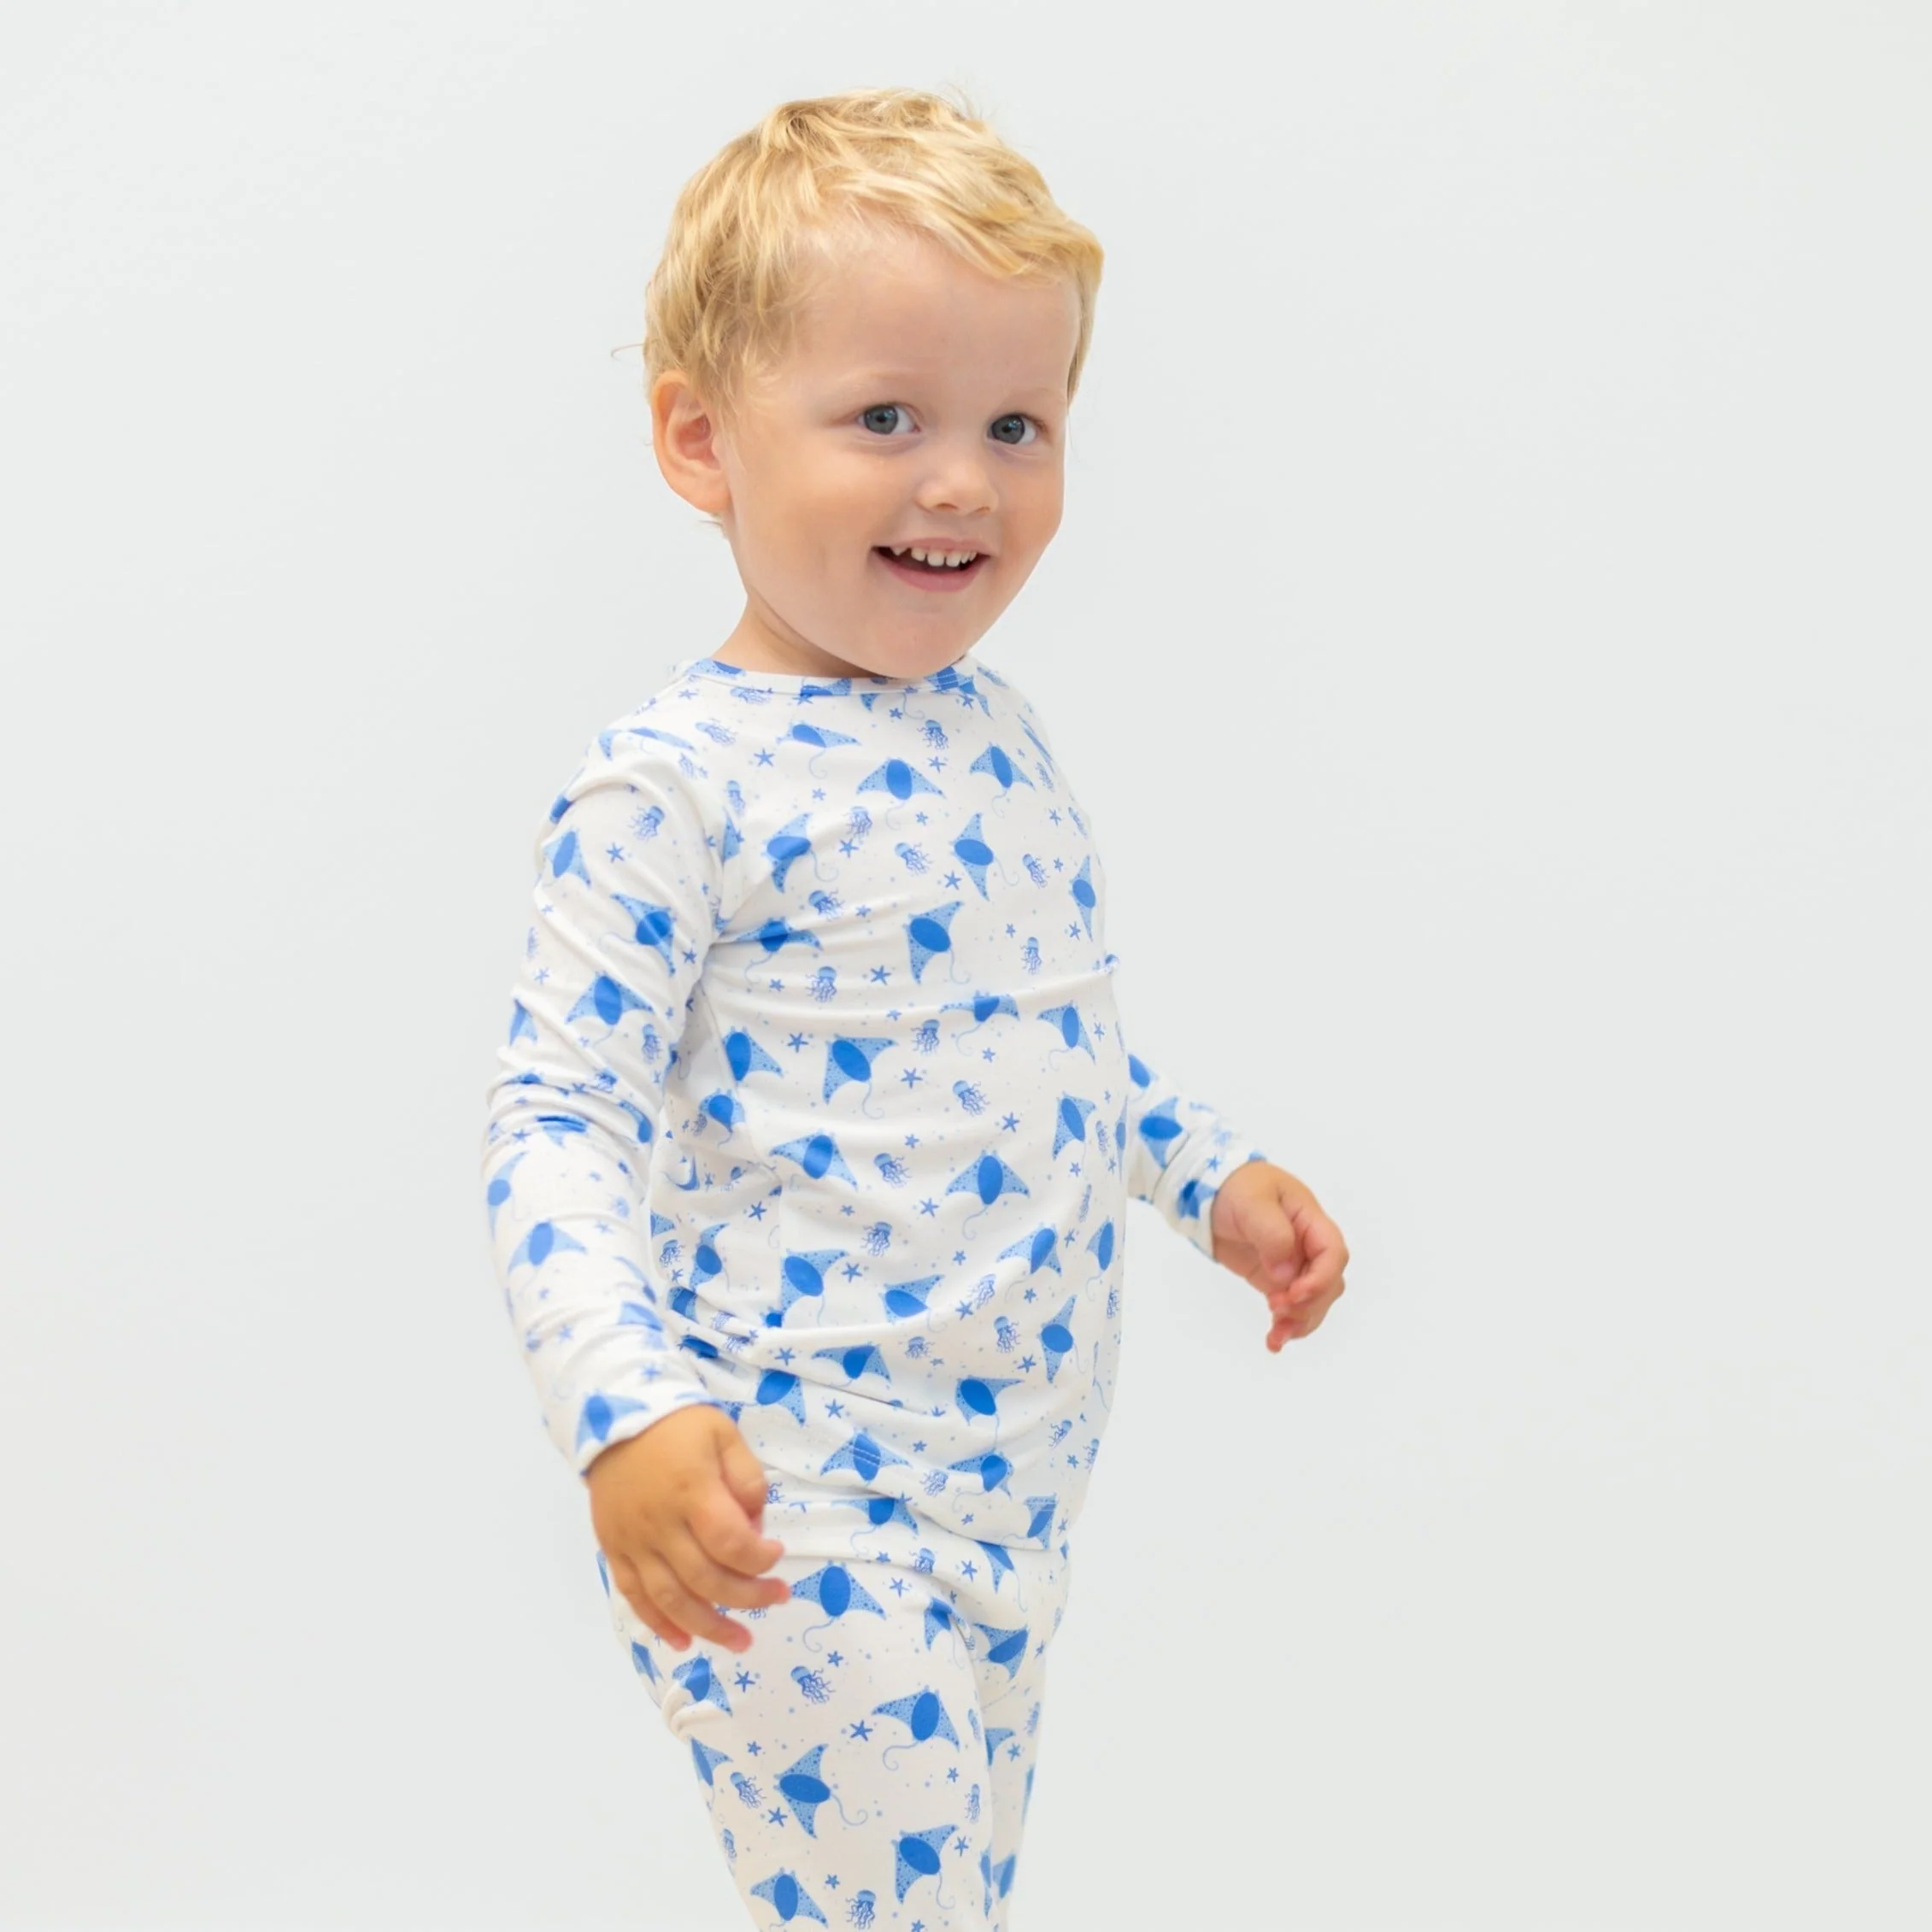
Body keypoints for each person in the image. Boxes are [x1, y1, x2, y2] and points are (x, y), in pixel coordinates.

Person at [479, 85, 1349, 1932]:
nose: (962, 479)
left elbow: (1034, 1047)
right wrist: (623, 1410)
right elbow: (556, 1114)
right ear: (699, 440)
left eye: (1015, 424)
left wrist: (1206, 1175)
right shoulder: (675, 782)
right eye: (886, 418)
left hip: (1010, 1504)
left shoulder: (999, 737)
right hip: (786, 1502)